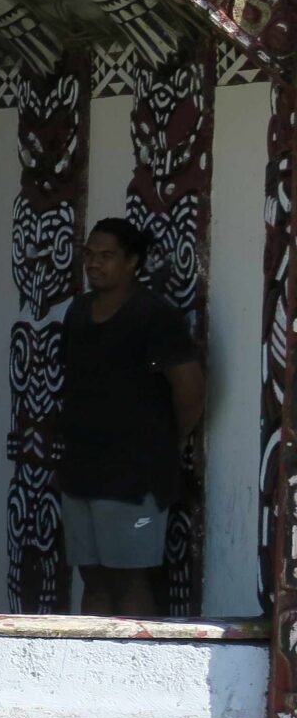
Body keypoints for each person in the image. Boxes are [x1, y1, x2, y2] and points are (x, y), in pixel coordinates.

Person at [60, 216, 205, 616]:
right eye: (89, 254)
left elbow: (190, 389)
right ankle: (92, 669)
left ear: (132, 262)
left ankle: (133, 669)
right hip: (80, 470)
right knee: (92, 576)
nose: (94, 264)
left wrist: (165, 441)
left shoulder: (152, 315)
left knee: (129, 577)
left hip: (134, 474)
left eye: (106, 256)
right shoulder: (78, 311)